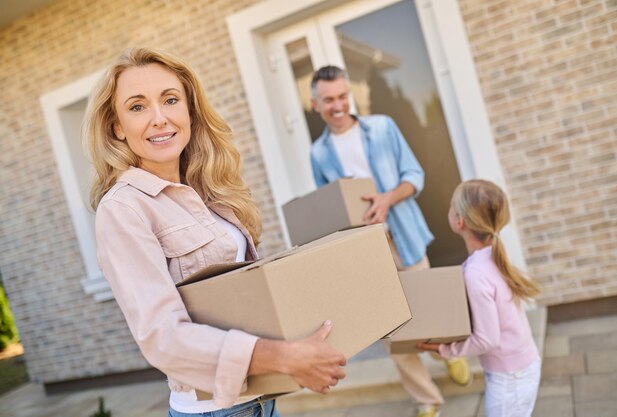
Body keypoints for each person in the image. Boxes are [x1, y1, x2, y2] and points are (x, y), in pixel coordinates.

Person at [86, 47, 346, 417]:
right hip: (214, 409)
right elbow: (163, 337)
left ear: (189, 110)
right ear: (116, 127)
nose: (159, 118)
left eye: (171, 100)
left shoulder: (207, 189)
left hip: (260, 393)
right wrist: (283, 356)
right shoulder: (123, 209)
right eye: (138, 107)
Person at [309, 65, 471, 417]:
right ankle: (427, 400)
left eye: (341, 96)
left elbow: (415, 176)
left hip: (405, 236)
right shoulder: (318, 154)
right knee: (393, 330)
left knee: (429, 315)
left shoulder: (382, 127)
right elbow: (329, 205)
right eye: (328, 100)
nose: (337, 105)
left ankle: (448, 355)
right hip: (367, 250)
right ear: (315, 103)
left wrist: (386, 199)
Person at [417, 179, 541, 417]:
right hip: (521, 366)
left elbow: (487, 340)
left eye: (452, 206)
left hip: (510, 378)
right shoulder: (492, 255)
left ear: (459, 221)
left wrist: (445, 350)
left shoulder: (475, 272)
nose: (449, 210)